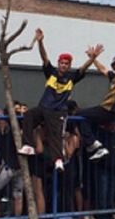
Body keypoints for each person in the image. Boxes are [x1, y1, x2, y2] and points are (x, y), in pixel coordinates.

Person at [19, 29, 102, 171]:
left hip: (57, 111)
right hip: (44, 107)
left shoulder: (72, 77)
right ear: (58, 63)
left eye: (66, 63)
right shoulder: (51, 72)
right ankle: (28, 146)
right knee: (29, 115)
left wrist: (92, 58)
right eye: (61, 63)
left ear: (69, 65)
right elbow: (44, 58)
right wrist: (40, 42)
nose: (63, 65)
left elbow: (83, 69)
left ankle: (58, 160)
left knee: (56, 134)